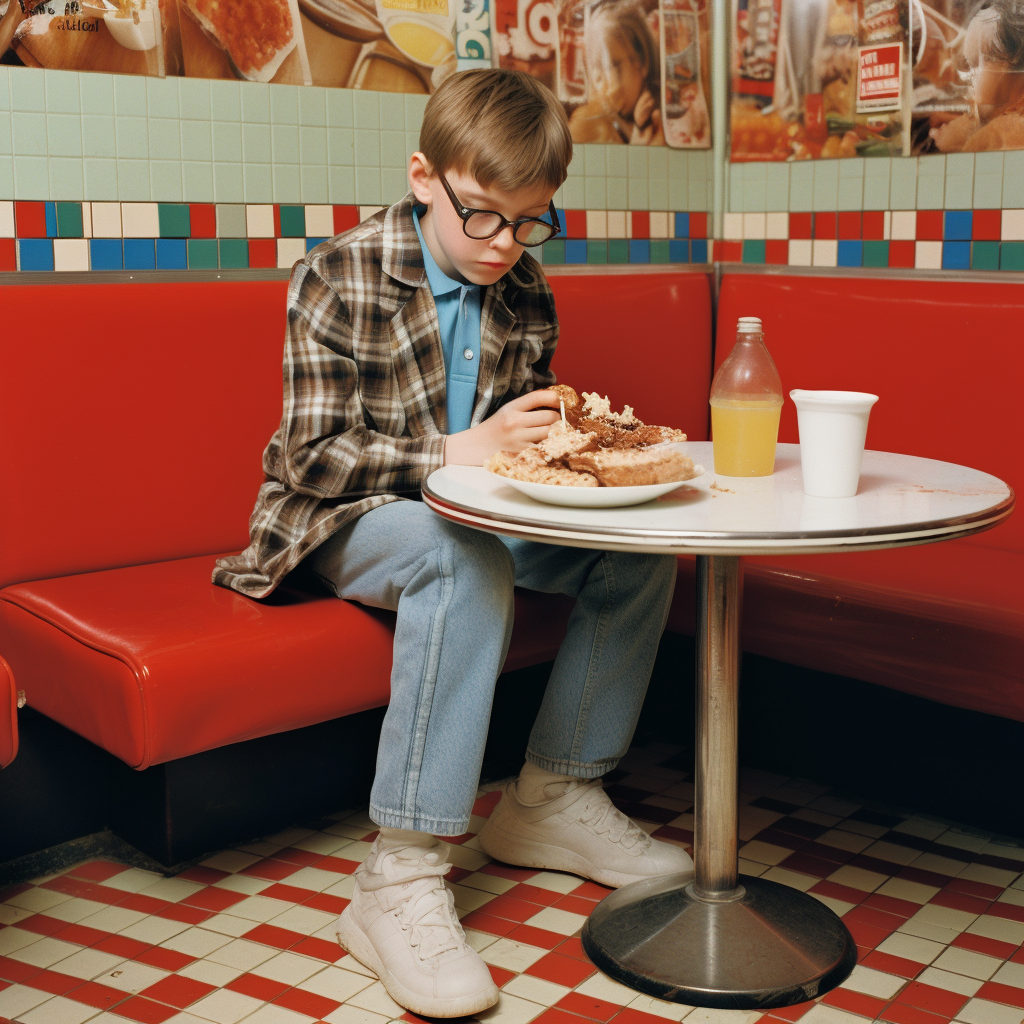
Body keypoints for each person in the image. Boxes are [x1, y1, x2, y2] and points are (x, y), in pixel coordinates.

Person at [213, 68, 691, 1019]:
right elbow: (308, 459)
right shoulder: (338, 271)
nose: (504, 245)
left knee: (642, 546)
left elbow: (516, 442)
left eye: (529, 221)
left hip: (478, 511)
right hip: (338, 521)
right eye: (481, 216)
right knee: (454, 554)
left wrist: (566, 439)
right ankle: (398, 876)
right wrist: (456, 449)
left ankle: (550, 799)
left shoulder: (522, 285)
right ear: (424, 176)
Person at [930, 0, 1024, 151]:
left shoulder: (996, 135)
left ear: (1010, 63)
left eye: (975, 65)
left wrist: (952, 140)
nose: (969, 77)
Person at [568, 0, 666, 144]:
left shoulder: (667, 118)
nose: (609, 88)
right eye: (597, 68)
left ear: (643, 62)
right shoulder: (586, 127)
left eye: (615, 66)